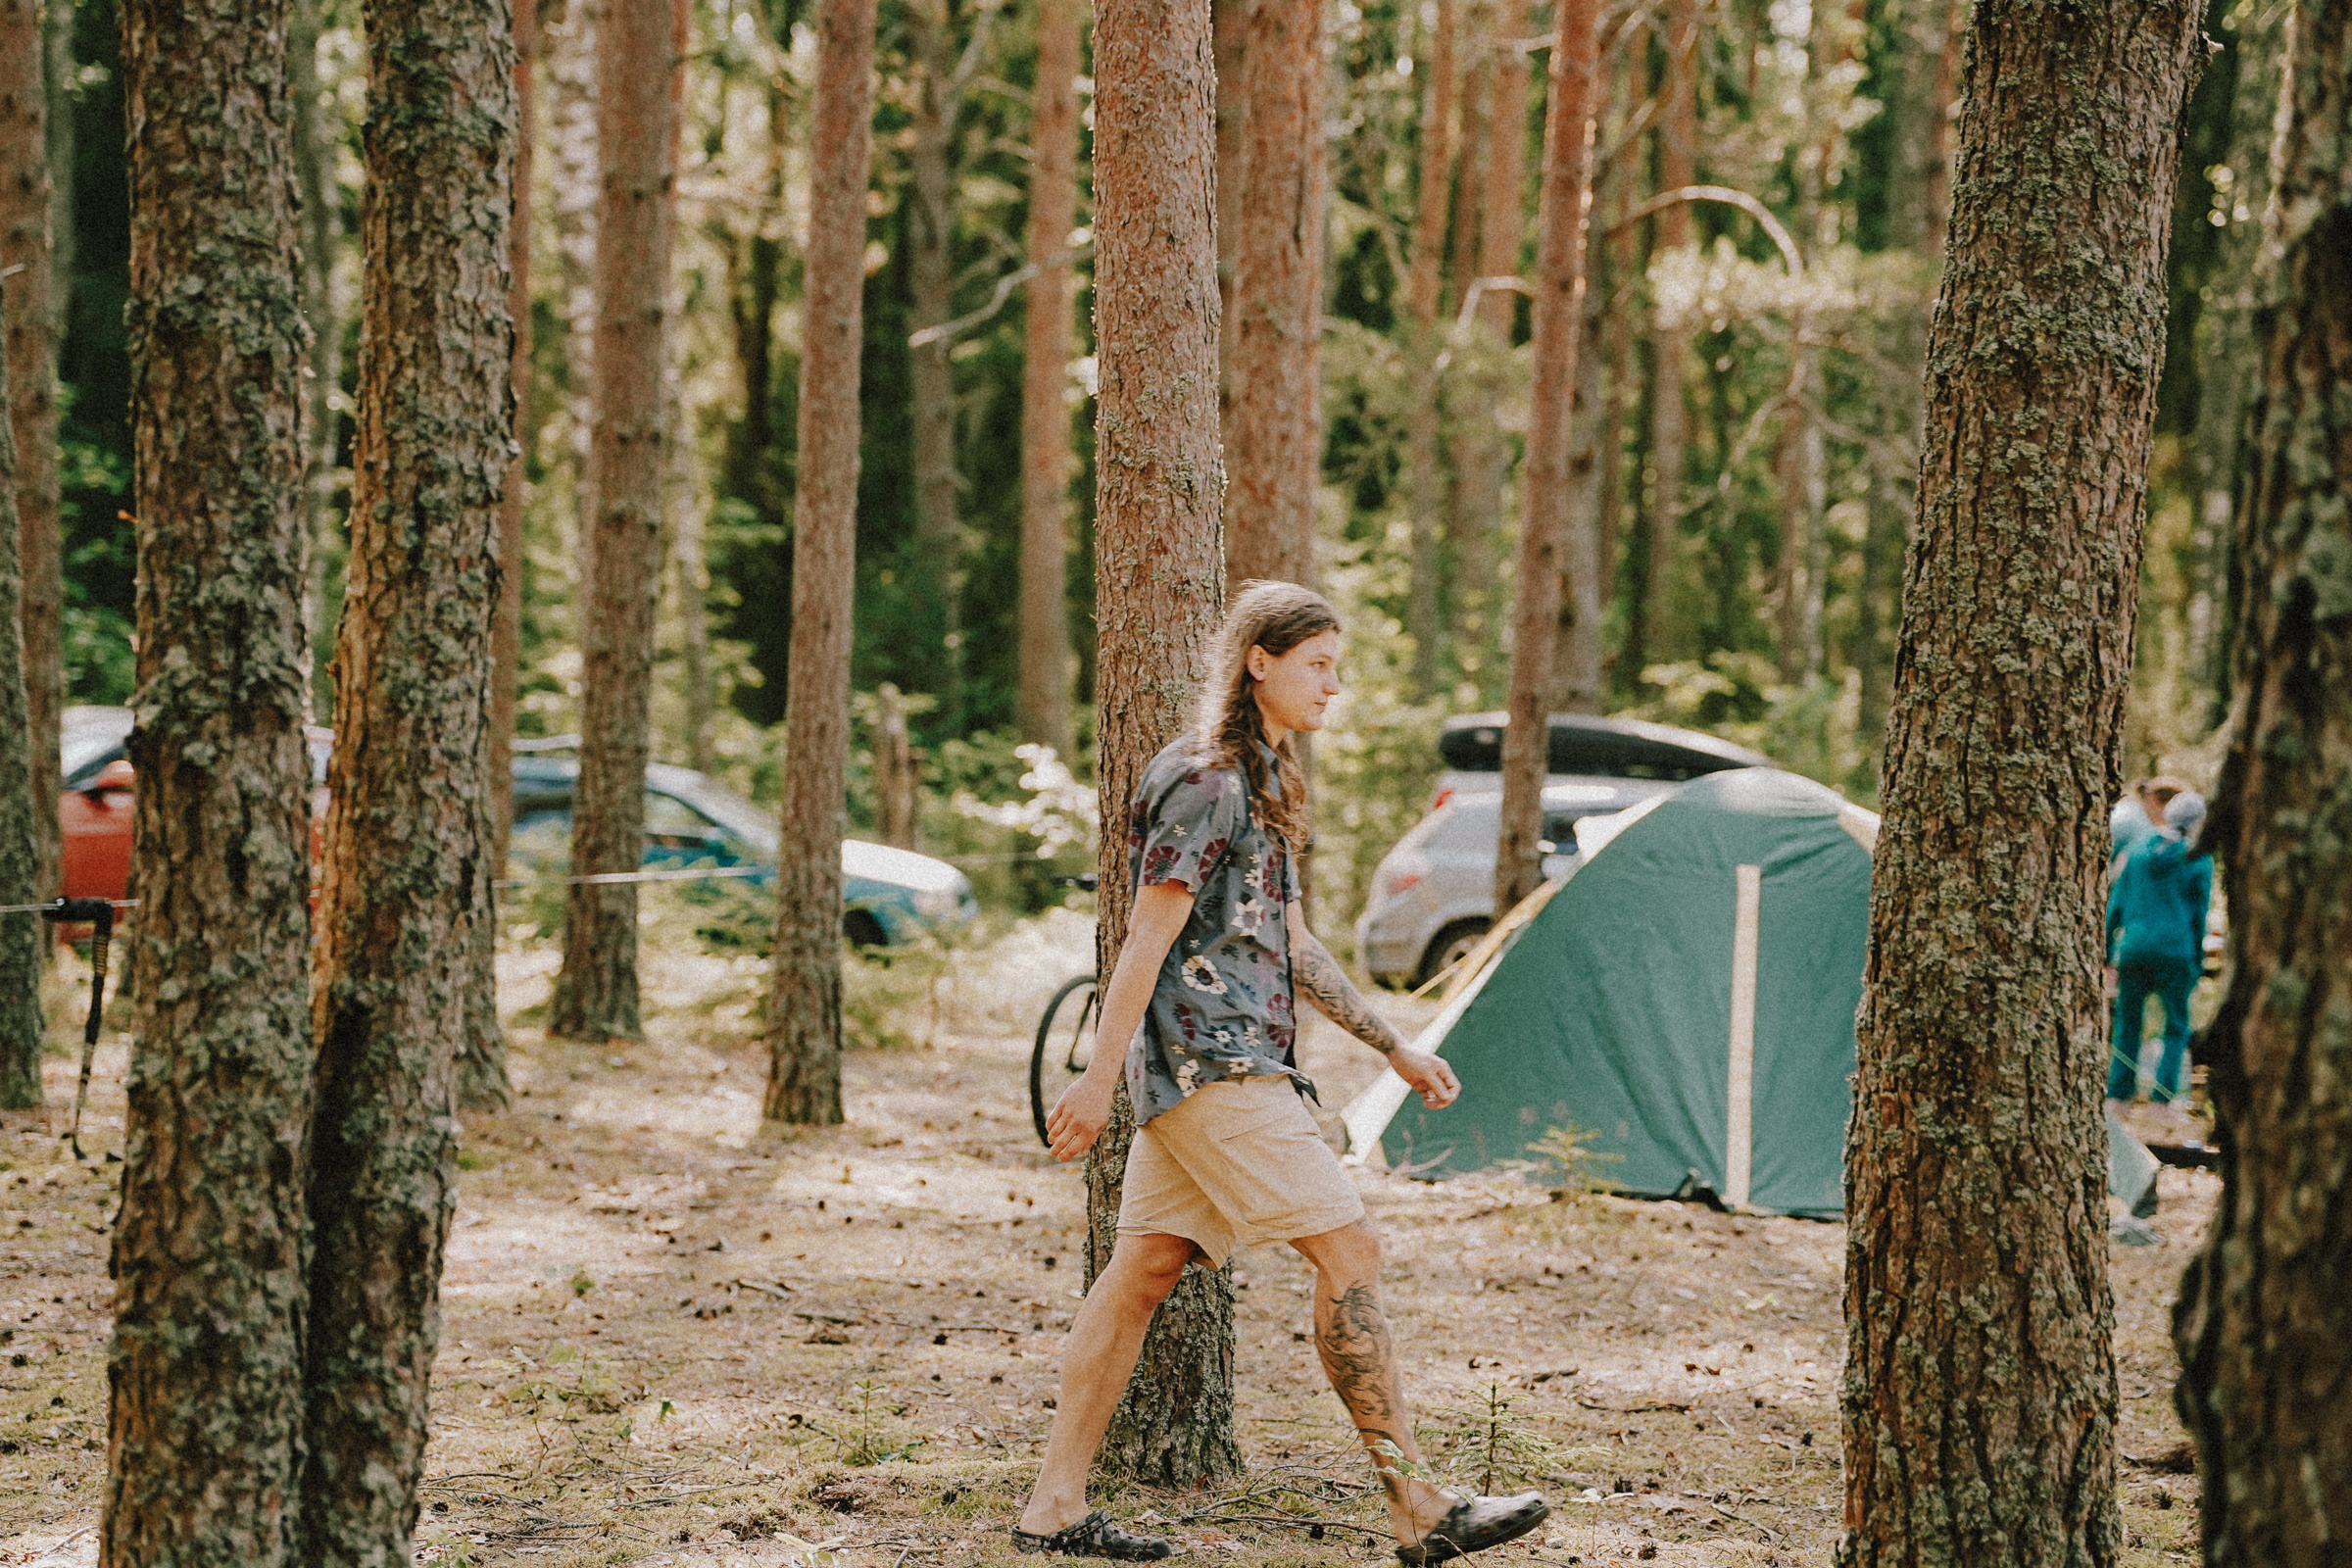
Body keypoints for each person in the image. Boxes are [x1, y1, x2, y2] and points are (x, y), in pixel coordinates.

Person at [1010, 582, 1549, 1564]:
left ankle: (1053, 1504)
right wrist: (1096, 1076)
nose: (1334, 686)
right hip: (1216, 1073)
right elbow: (1148, 934)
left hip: (1224, 1074)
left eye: (1337, 667)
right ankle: (1417, 1505)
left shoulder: (1263, 781)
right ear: (1259, 658)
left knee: (1141, 1275)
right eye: (1320, 664)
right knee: (1351, 1254)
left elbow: (1291, 943)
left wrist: (1394, 1046)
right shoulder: (1206, 778)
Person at [2104, 789, 2213, 1110]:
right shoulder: (2197, 859)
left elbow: (2115, 907)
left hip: (2134, 949)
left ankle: (2118, 1096)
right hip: (2176, 953)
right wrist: (2197, 959)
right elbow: (2199, 915)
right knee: (2176, 1026)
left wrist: (2107, 953)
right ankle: (2161, 1101)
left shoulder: (2135, 852)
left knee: (2128, 1023)